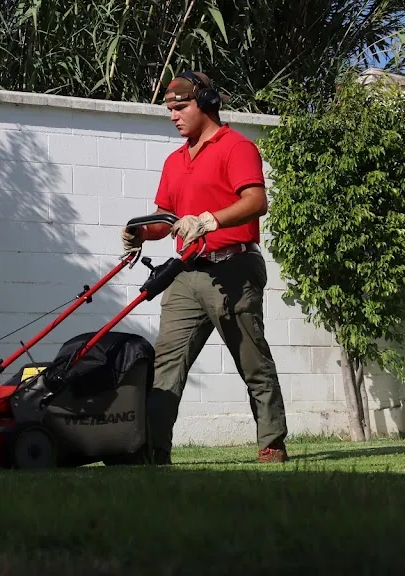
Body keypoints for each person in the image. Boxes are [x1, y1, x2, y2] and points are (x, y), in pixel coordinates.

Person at [121, 71, 289, 464]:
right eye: (170, 110)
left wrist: (209, 221)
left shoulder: (237, 147)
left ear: (207, 104)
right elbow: (166, 220)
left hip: (234, 269)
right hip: (187, 273)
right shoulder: (174, 161)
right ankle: (154, 450)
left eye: (181, 108)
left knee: (252, 360)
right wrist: (140, 232)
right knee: (167, 364)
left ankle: (272, 442)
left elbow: (256, 202)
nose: (173, 116)